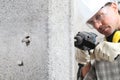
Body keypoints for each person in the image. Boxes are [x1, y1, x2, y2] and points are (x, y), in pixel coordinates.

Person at [75, 0, 120, 80]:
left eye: (99, 16)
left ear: (114, 7)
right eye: (91, 22)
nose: (97, 26)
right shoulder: (100, 50)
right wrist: (85, 63)